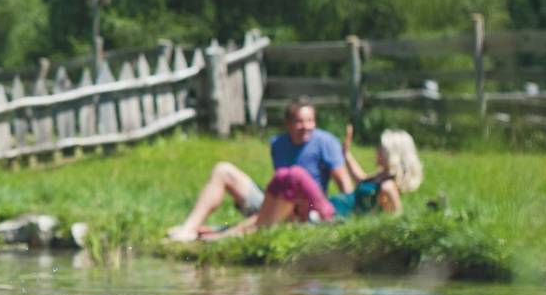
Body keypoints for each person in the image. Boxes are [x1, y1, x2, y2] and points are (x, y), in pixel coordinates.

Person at [166, 98, 354, 242]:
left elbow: (344, 183)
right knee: (223, 170)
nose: (306, 127)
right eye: (300, 121)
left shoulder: (325, 142)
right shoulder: (278, 144)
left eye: (310, 121)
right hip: (276, 201)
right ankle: (190, 228)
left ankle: (227, 234)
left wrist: (349, 215)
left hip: (306, 209)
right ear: (288, 124)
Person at [200, 126, 422, 239]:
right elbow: (360, 179)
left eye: (381, 149)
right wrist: (346, 153)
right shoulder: (379, 178)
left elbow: (396, 221)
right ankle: (218, 233)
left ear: (393, 153)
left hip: (331, 216)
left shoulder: (388, 187)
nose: (377, 152)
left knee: (295, 176)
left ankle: (221, 235)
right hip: (330, 207)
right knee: (282, 210)